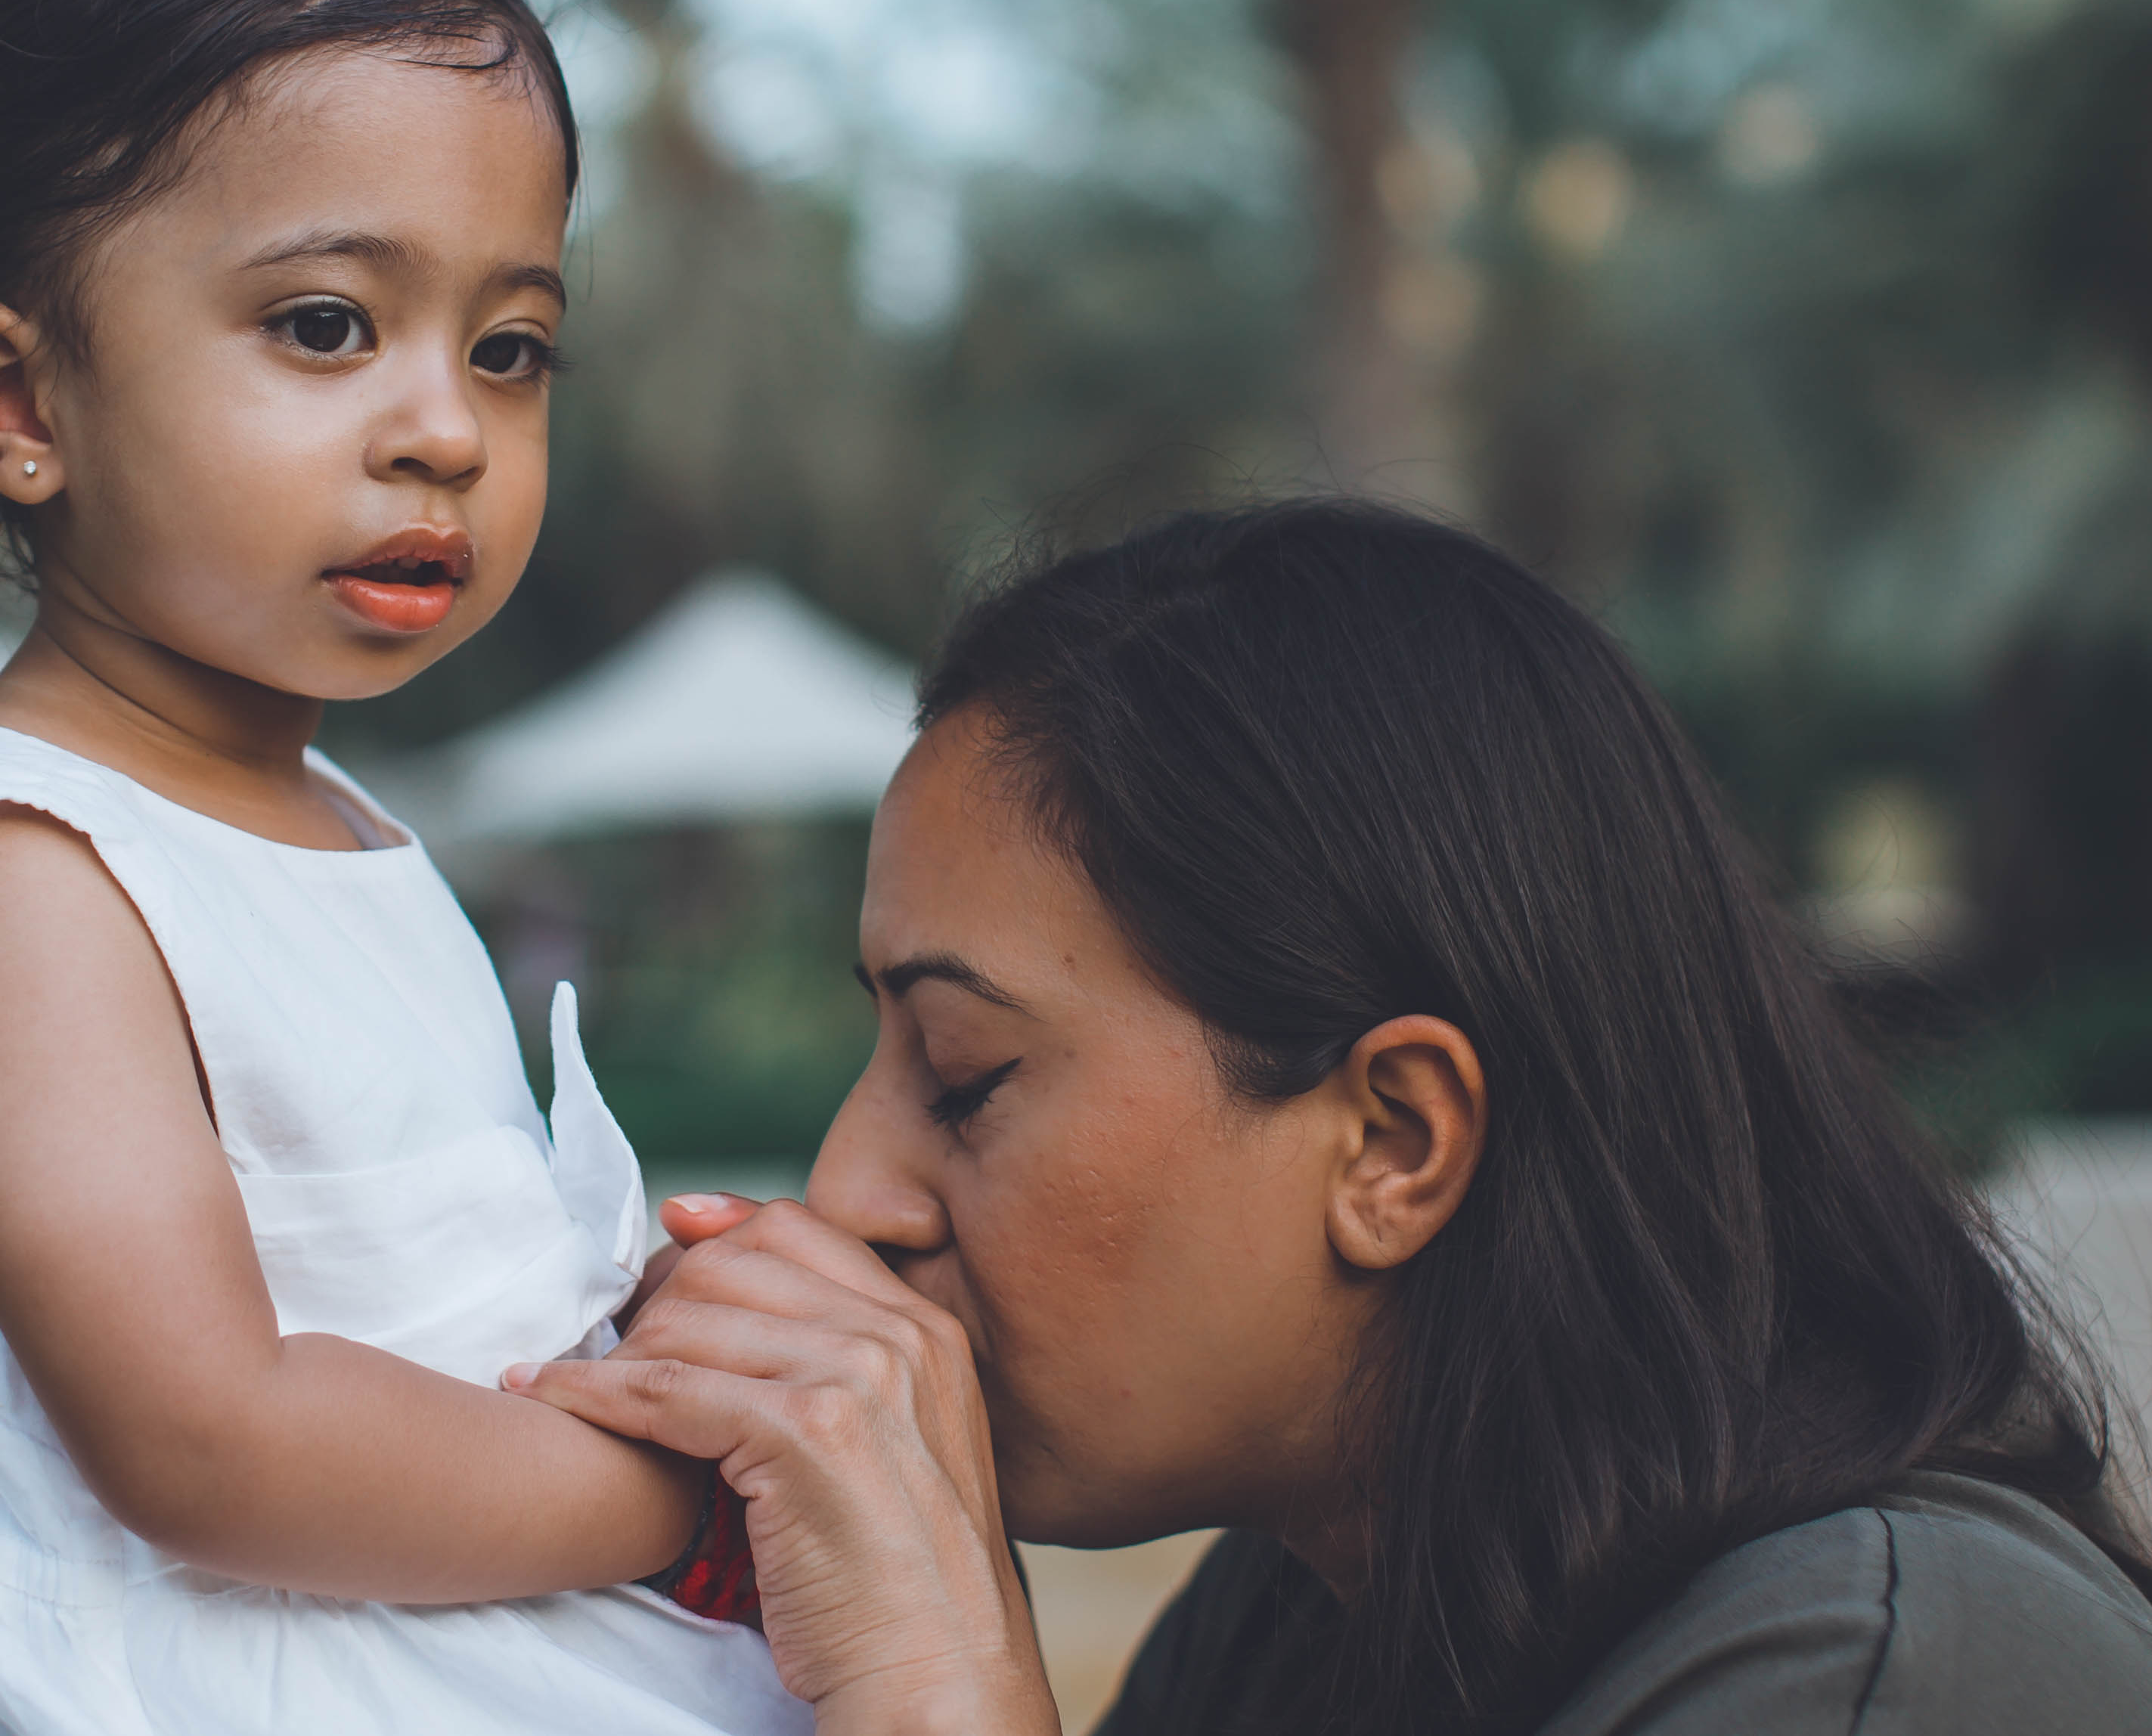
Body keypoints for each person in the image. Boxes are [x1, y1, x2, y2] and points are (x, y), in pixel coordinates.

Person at [0, 0, 801, 1736]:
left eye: (510, 347)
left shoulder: (345, 829)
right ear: (19, 400)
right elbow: (209, 1438)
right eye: (322, 326)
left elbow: (409, 1317)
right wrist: (682, 1498)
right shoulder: (31, 877)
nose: (445, 427)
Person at [510, 500, 2152, 1734]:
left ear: (1395, 1142)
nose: (849, 1186)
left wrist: (944, 1692)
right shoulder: (1310, 1623)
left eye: (966, 1078)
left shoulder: (1878, 1677)